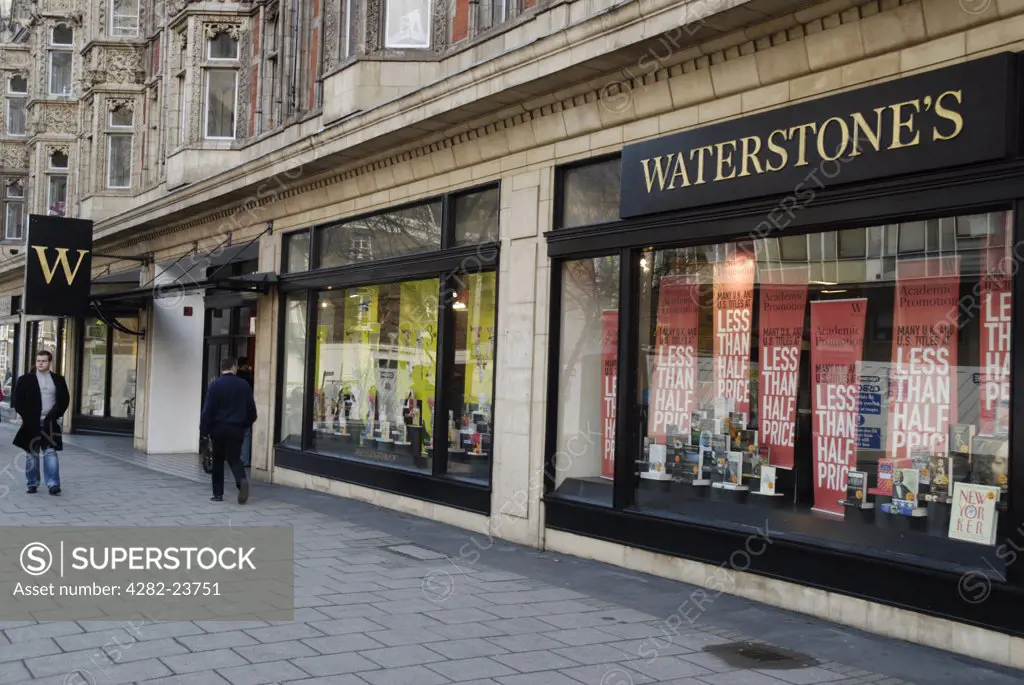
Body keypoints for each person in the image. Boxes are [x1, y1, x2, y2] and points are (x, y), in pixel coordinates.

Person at [14, 351, 70, 495]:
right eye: (38, 360)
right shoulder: (25, 379)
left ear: (50, 362)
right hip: (31, 422)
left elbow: (64, 400)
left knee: (50, 452)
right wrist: (27, 417)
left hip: (49, 422)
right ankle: (32, 483)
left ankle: (53, 484)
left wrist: (54, 415)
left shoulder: (58, 380)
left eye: (43, 361)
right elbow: (18, 401)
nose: (40, 363)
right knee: (32, 454)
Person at [200, 357, 256, 503]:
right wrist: (245, 424)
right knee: (234, 458)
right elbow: (252, 410)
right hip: (236, 428)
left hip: (218, 429)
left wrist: (204, 431)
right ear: (234, 367)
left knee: (218, 459)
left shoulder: (215, 385)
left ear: (222, 368)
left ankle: (218, 494)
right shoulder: (244, 385)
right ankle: (241, 480)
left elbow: (207, 411)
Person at [236, 356, 254, 468]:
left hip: (235, 411)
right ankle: (245, 460)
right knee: (246, 435)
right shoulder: (247, 377)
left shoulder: (235, 377)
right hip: (245, 410)